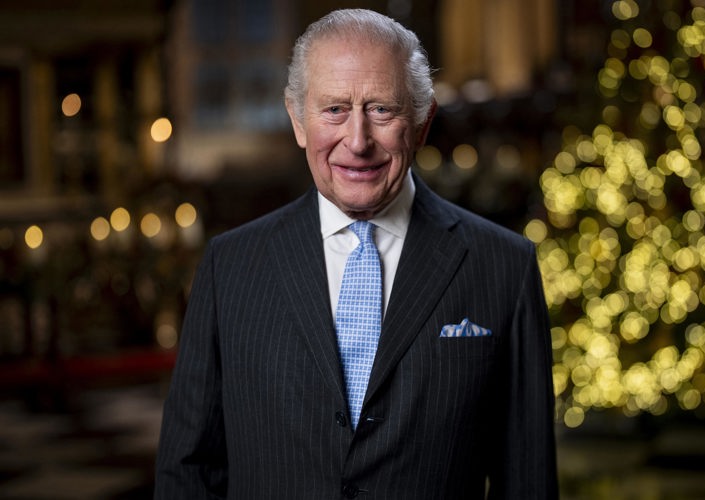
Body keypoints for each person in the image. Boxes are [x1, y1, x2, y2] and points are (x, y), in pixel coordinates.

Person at [154, 8, 558, 499]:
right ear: (298, 120)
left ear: (423, 122)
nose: (358, 140)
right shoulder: (230, 267)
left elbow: (529, 484)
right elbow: (187, 473)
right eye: (334, 110)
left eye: (382, 109)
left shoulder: (504, 268)